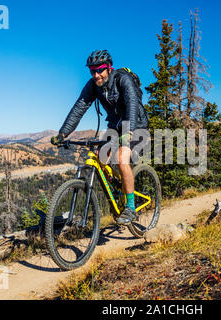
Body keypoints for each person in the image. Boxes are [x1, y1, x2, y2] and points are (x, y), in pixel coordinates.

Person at [51, 50, 149, 225]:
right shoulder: (93, 85)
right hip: (115, 127)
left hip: (136, 125)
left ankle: (131, 207)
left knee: (121, 158)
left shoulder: (122, 79)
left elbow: (132, 105)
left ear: (109, 68)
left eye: (100, 70)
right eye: (92, 71)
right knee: (99, 156)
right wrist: (63, 133)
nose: (96, 75)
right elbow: (78, 108)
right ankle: (118, 188)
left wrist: (129, 132)